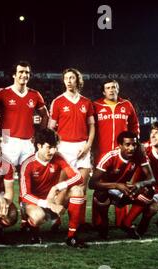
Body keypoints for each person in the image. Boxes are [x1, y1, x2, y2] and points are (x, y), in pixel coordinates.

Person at [20, 128, 86, 247]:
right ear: (39, 146)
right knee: (38, 216)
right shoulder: (28, 164)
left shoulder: (57, 157)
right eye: (49, 147)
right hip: (33, 203)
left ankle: (72, 237)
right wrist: (48, 204)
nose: (52, 151)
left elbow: (79, 178)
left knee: (78, 190)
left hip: (53, 198)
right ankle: (31, 228)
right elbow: (25, 195)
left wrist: (57, 187)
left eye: (55, 147)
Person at [48, 68, 94, 231]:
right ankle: (56, 218)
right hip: (64, 148)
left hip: (82, 146)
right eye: (66, 78)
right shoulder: (57, 101)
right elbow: (51, 128)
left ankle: (79, 222)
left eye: (72, 78)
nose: (68, 81)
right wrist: (54, 147)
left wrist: (88, 146)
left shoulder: (86, 102)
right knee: (62, 186)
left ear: (78, 81)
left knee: (82, 186)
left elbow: (92, 126)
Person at [89, 131, 155, 240]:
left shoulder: (140, 155)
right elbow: (92, 183)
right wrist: (116, 185)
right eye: (127, 144)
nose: (131, 148)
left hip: (125, 189)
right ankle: (104, 223)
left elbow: (152, 179)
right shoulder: (110, 156)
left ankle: (127, 224)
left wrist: (139, 184)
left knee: (149, 191)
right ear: (120, 145)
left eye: (134, 144)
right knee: (100, 193)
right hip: (108, 190)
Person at [92, 80, 140, 228]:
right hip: (102, 154)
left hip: (123, 155)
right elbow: (91, 128)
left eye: (114, 87)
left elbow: (135, 126)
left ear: (118, 89)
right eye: (108, 88)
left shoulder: (127, 105)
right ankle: (98, 222)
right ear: (103, 91)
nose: (111, 90)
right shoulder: (96, 106)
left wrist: (134, 146)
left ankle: (121, 220)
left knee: (123, 185)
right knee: (100, 187)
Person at [124, 121, 158, 237]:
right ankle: (136, 225)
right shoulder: (142, 149)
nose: (152, 135)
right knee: (152, 207)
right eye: (152, 132)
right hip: (139, 188)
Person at [0, 61, 49, 166]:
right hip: (8, 141)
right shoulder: (3, 93)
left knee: (28, 177)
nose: (24, 75)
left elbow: (45, 115)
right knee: (5, 176)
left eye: (27, 72)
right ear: (14, 74)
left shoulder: (35, 95)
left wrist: (39, 135)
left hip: (28, 142)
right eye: (21, 72)